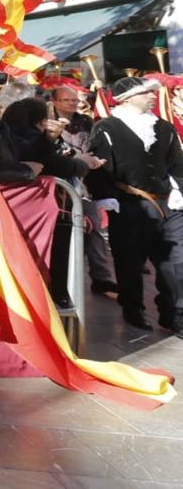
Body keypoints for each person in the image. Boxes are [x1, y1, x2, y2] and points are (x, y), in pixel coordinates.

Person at [87, 77, 183, 336]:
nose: (153, 96)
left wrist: (179, 191)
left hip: (166, 204)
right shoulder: (105, 127)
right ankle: (133, 308)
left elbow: (177, 164)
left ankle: (174, 312)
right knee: (130, 260)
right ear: (127, 98)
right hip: (128, 203)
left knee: (175, 260)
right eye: (146, 93)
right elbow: (97, 166)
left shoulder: (163, 127)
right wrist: (104, 196)